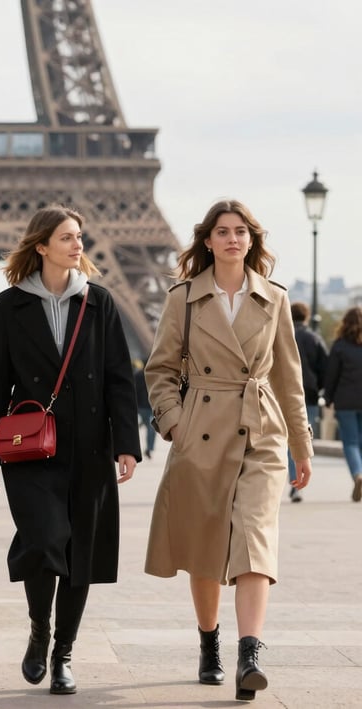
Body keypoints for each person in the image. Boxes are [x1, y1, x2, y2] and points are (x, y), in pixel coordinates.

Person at [144, 199, 313, 701]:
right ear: (208, 240)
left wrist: (301, 445)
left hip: (260, 433)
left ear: (252, 240)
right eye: (223, 231)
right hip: (201, 434)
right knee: (204, 544)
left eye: (241, 231)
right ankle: (209, 641)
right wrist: (175, 424)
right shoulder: (183, 298)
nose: (233, 239)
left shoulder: (275, 300)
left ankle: (250, 652)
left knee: (255, 540)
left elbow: (289, 378)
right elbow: (159, 370)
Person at [0, 205, 140, 696]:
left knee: (79, 551)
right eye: (67, 237)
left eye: (80, 237)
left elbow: (118, 377)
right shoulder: (10, 305)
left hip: (89, 447)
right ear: (41, 245)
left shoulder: (100, 302)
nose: (78, 245)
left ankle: (63, 652)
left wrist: (127, 444)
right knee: (45, 539)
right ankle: (38, 628)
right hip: (31, 449)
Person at [287, 301, 328, 502]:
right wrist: (320, 388)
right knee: (303, 436)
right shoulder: (315, 338)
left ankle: (294, 482)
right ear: (306, 317)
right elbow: (326, 367)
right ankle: (299, 481)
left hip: (284, 393)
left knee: (289, 438)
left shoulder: (284, 333)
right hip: (309, 393)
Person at [324, 306, 362, 502]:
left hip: (345, 400)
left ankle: (357, 474)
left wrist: (328, 398)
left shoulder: (339, 346)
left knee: (351, 443)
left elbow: (331, 376)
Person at [133, 359, 156, 459]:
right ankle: (147, 449)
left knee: (150, 427)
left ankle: (149, 449)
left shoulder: (154, 375)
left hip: (151, 406)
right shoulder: (138, 376)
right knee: (150, 427)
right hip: (142, 407)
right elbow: (134, 391)